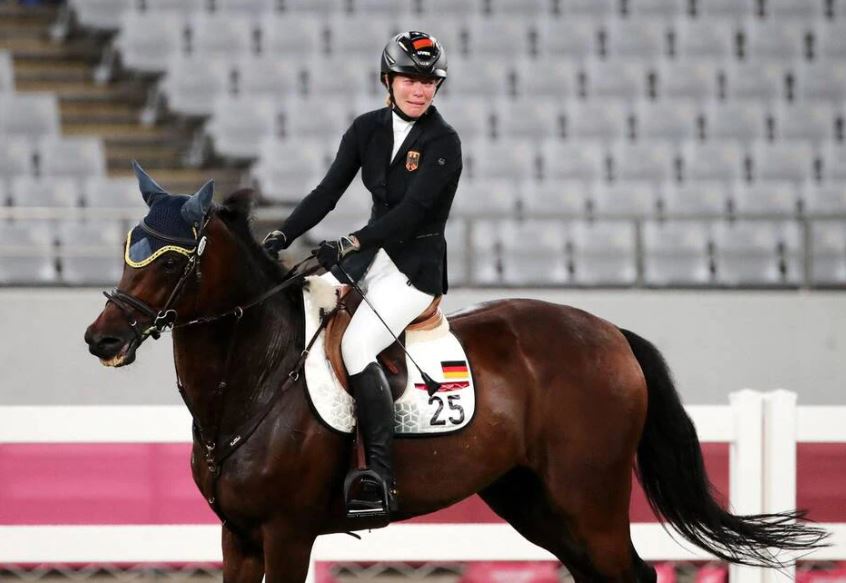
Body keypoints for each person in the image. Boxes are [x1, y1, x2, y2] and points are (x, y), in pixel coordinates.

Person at [262, 31, 462, 518]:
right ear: (387, 80)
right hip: (372, 262)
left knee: (355, 346)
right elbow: (327, 192)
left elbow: (413, 214)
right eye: (410, 80)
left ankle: (380, 476)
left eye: (429, 82)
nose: (420, 90)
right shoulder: (366, 129)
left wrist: (350, 242)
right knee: (306, 316)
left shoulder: (443, 142)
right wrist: (281, 235)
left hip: (414, 272)